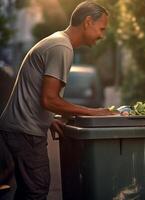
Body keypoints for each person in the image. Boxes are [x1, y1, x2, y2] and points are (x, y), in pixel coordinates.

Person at [0, 1, 115, 200]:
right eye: (101, 28)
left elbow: (39, 94)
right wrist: (94, 112)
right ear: (88, 22)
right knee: (37, 190)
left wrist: (48, 118)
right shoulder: (62, 47)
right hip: (25, 131)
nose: (102, 36)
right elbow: (49, 99)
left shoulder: (58, 42)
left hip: (21, 128)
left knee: (29, 191)